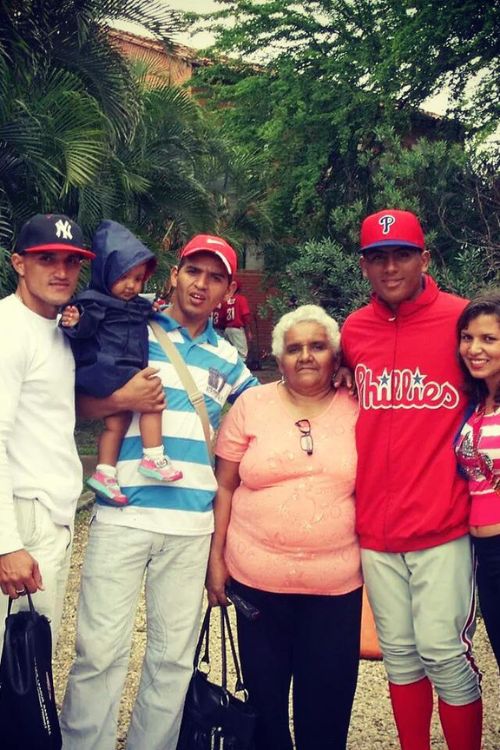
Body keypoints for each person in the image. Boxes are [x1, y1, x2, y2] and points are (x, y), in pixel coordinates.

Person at [60, 233, 259, 750]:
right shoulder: (130, 322)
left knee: (171, 659)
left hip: (193, 524)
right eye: (194, 271)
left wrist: (340, 375)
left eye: (215, 277)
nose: (201, 284)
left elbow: (270, 413)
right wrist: (119, 397)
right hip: (122, 513)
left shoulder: (228, 360)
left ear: (228, 289)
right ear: (174, 273)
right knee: (99, 652)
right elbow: (70, 398)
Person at [341, 209, 482, 750]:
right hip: (375, 527)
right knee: (399, 658)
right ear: (364, 266)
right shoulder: (354, 329)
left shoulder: (459, 320)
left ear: (424, 258)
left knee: (445, 655)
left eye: (401, 254)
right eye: (378, 257)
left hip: (444, 523)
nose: (390, 267)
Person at [207, 304, 362, 750]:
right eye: (294, 348)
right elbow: (224, 487)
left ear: (336, 356)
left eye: (317, 346)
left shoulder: (360, 406)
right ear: (279, 360)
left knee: (327, 708)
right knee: (266, 708)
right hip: (257, 588)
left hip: (336, 589)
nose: (306, 356)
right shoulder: (251, 405)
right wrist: (215, 561)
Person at [0, 212, 94, 649]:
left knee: (30, 665)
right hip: (24, 513)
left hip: (51, 511)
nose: (61, 271)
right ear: (19, 263)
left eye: (71, 261)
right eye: (46, 259)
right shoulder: (9, 328)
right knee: (16, 666)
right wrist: (7, 544)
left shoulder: (60, 328)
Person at [60, 220, 182, 507]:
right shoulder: (94, 302)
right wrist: (75, 322)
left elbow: (145, 307)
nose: (133, 286)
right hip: (108, 366)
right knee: (151, 395)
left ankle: (104, 472)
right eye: (126, 277)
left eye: (139, 279)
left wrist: (151, 307)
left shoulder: (134, 302)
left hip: (115, 368)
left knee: (117, 422)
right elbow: (84, 326)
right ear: (106, 273)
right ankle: (153, 455)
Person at [456, 290, 500, 673]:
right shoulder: (477, 405)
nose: (474, 348)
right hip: (484, 553)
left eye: (489, 339)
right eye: (468, 337)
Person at [220, 280, 253, 360]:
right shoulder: (241, 299)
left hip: (227, 329)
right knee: (242, 354)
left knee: (229, 353)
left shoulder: (226, 300)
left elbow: (222, 317)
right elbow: (245, 316)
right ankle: (239, 371)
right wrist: (249, 331)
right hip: (237, 329)